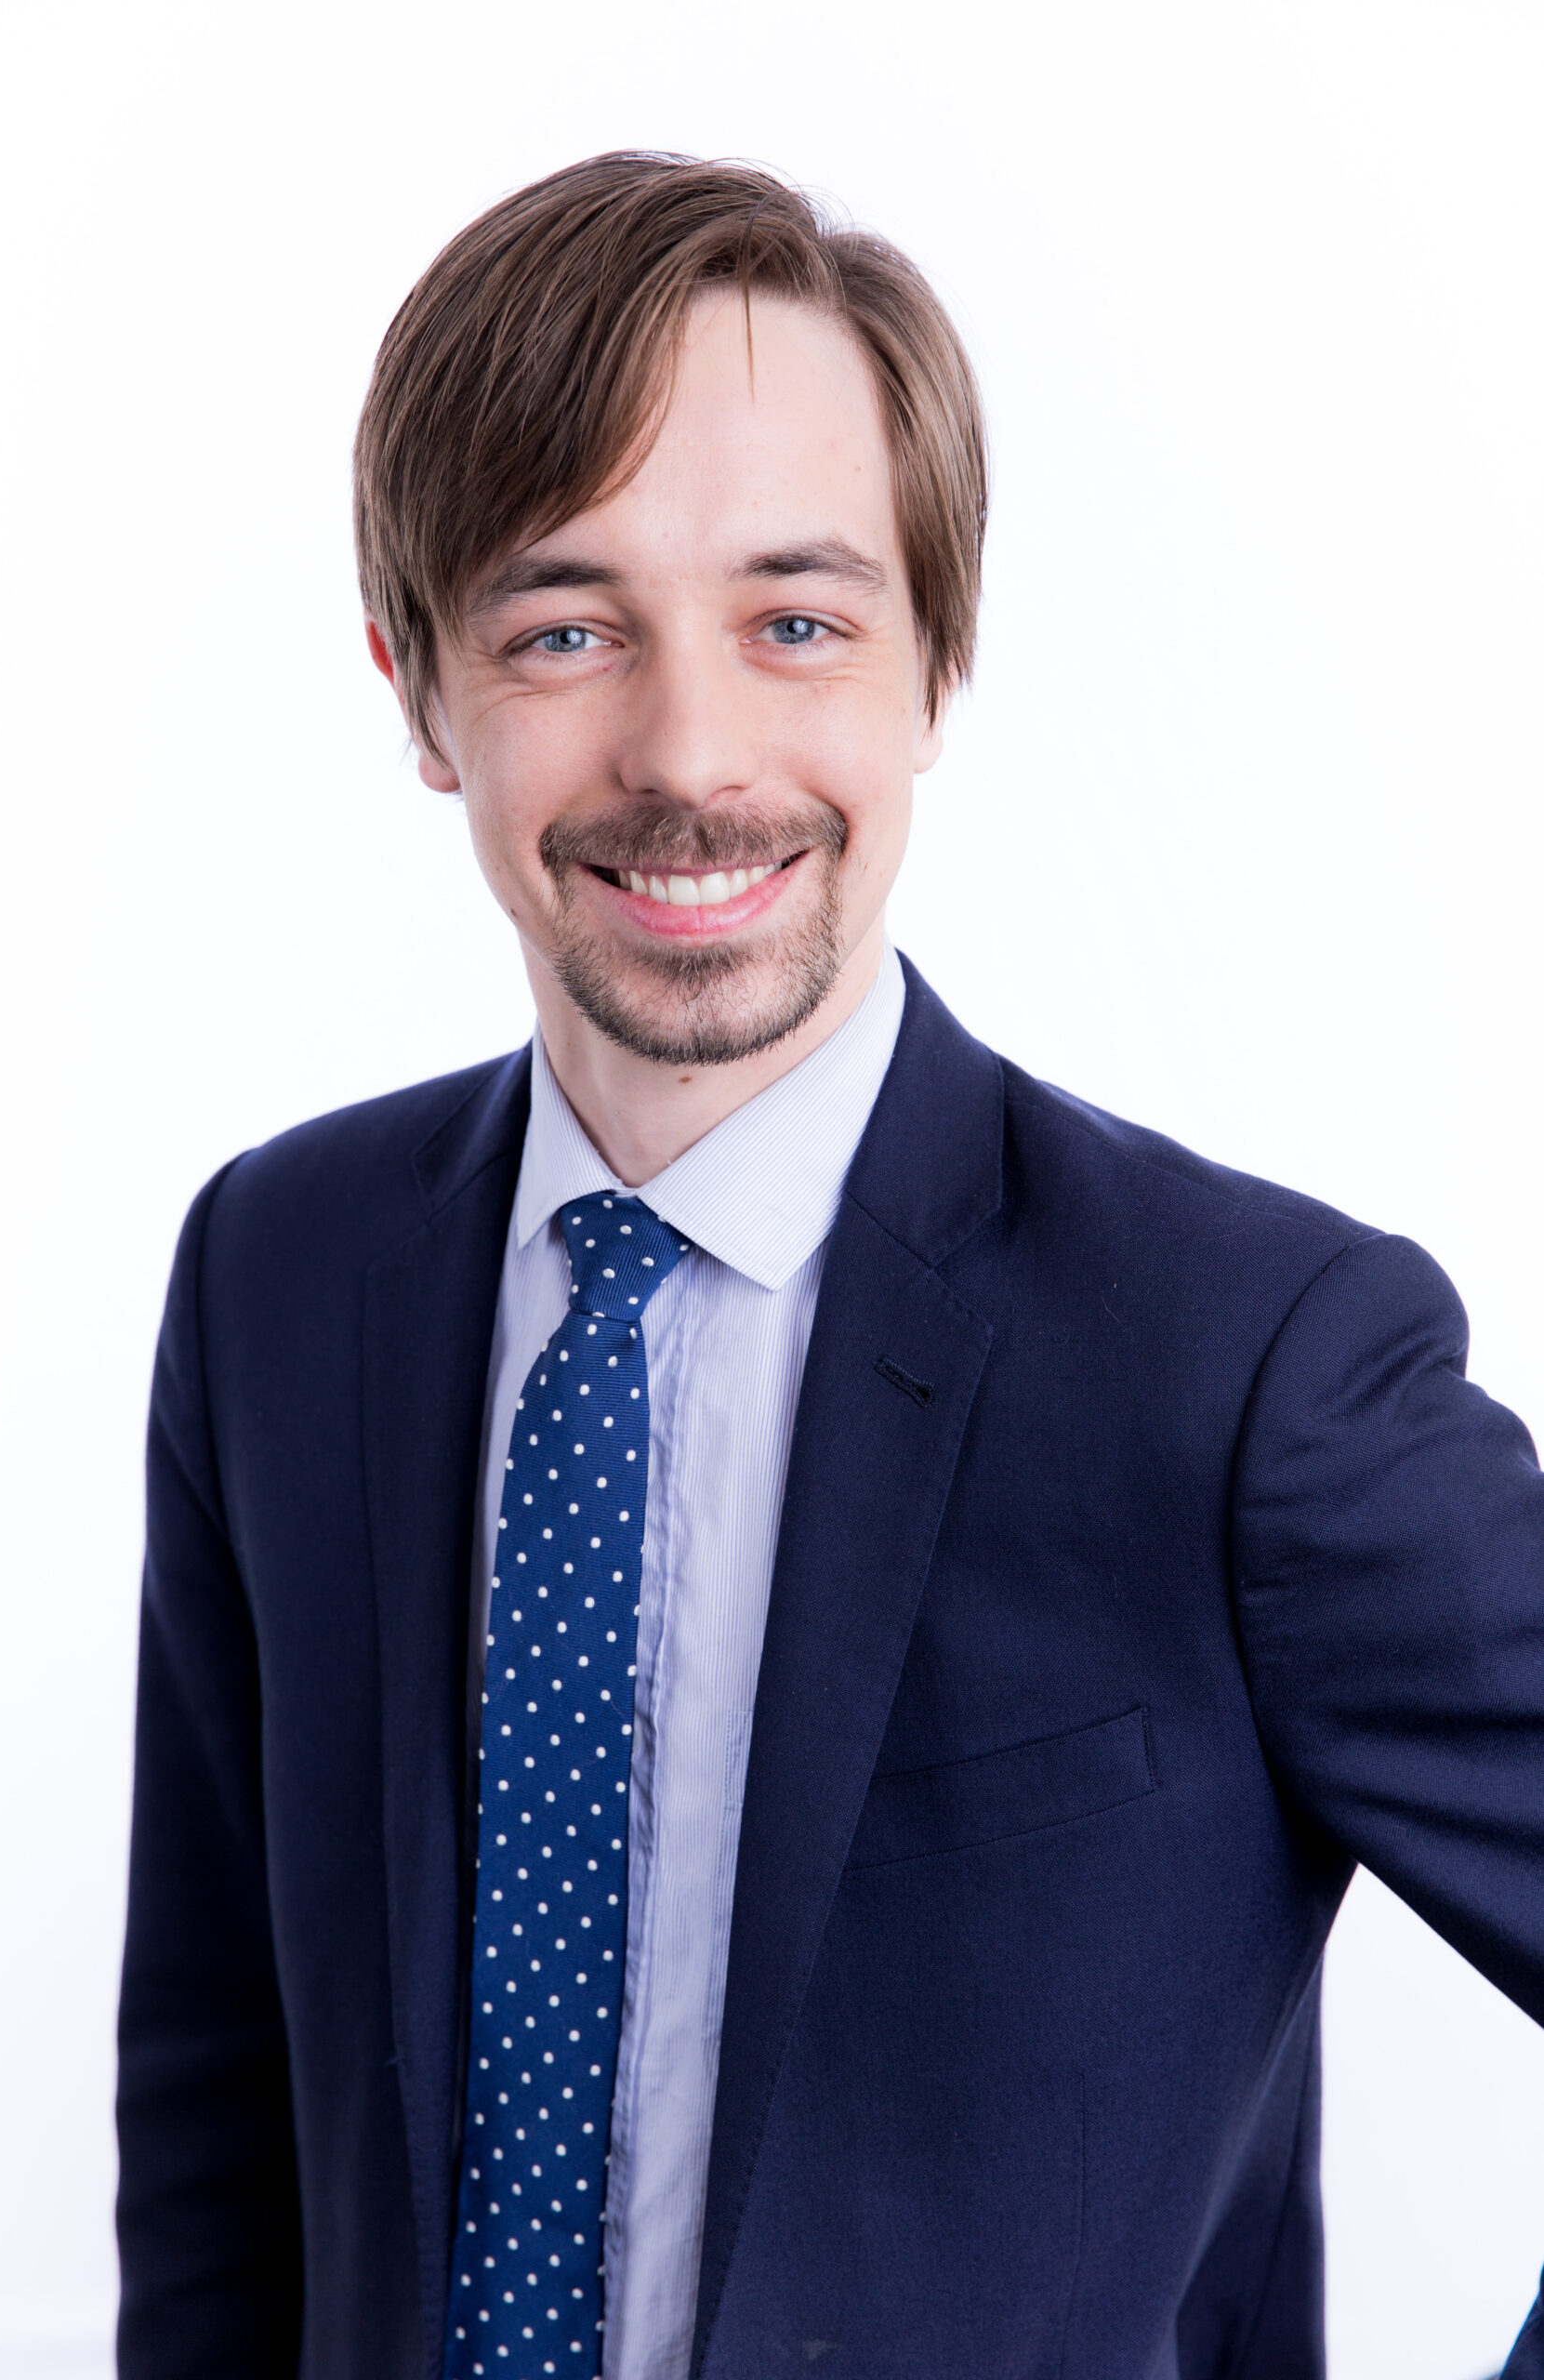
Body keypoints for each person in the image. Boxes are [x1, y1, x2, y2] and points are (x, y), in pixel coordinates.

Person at [114, 152, 1544, 2380]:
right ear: (417, 686)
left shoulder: (1245, 1365)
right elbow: (219, 2124)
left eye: (794, 621)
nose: (690, 755)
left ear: (933, 665)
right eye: (563, 625)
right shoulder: (277, 1279)